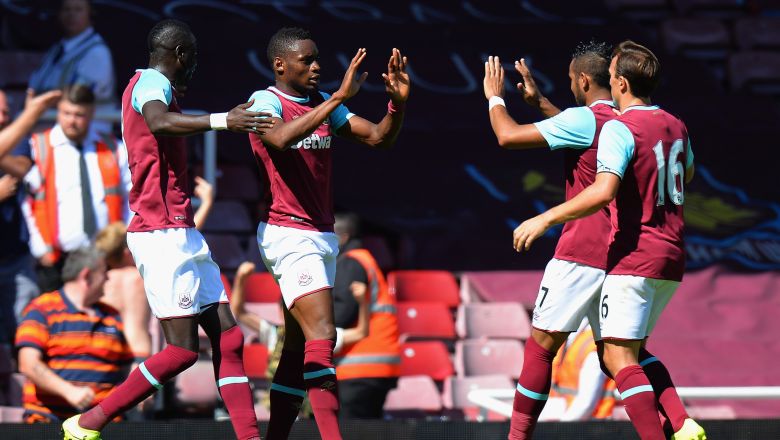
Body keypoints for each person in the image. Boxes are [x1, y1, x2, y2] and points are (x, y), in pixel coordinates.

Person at [61, 19, 274, 440]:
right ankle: (89, 422)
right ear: (179, 55)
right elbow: (157, 123)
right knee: (180, 351)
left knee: (229, 337)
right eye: (192, 57)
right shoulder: (150, 83)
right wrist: (221, 121)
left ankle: (249, 437)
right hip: (159, 235)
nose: (194, 66)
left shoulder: (159, 87)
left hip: (181, 231)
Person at [511, 40, 705, 440]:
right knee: (626, 354)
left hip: (633, 254)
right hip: (672, 255)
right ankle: (682, 424)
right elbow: (686, 177)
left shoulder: (621, 127)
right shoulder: (675, 124)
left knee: (616, 356)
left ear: (618, 81)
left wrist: (544, 218)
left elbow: (602, 191)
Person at [247, 27, 409, 439]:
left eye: (318, 58)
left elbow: (377, 138)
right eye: (307, 59)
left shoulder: (319, 102)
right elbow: (280, 139)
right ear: (280, 64)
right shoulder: (265, 101)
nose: (317, 66)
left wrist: (397, 104)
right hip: (288, 232)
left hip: (320, 235)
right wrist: (339, 97)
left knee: (297, 351)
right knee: (324, 335)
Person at [482, 42, 617, 439]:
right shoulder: (627, 121)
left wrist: (495, 99)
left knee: (541, 346)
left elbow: (507, 136)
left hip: (581, 250)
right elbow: (586, 137)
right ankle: (675, 422)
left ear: (583, 80)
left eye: (571, 80)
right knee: (622, 357)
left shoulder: (584, 118)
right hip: (622, 254)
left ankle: (517, 437)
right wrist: (540, 102)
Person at [21, 84, 131, 293]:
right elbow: (27, 202)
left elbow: (131, 195)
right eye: (66, 113)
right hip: (56, 258)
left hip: (105, 255)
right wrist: (39, 247)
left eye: (79, 114)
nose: (71, 120)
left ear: (91, 113)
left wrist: (125, 237)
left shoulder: (113, 148)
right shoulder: (39, 147)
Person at [94, 180, 214, 364]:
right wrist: (206, 203)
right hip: (139, 354)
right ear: (127, 252)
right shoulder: (143, 276)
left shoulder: (100, 282)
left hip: (106, 353)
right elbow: (183, 246)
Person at [15, 246, 133, 423]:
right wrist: (69, 391)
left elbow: (126, 369)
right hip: (48, 420)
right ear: (86, 276)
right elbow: (28, 364)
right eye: (104, 273)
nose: (108, 278)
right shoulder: (41, 309)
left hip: (103, 423)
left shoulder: (112, 316)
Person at [0, 88, 62, 350]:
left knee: (26, 332)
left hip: (16, 254)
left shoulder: (20, 139)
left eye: (5, 112)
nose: (3, 117)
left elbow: (22, 168)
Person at [332, 213, 400, 419]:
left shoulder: (350, 263)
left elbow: (342, 312)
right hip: (375, 366)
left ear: (343, 237)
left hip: (359, 367)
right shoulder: (366, 260)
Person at [28, 0, 116, 133]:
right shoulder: (56, 49)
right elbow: (33, 88)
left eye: (78, 10)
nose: (71, 15)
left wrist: (41, 101)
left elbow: (77, 97)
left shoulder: (97, 53)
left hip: (89, 133)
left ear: (90, 14)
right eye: (67, 9)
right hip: (50, 127)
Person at [549, 318, 615, 421]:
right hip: (564, 417)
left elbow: (586, 404)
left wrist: (558, 431)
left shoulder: (595, 345)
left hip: (593, 429)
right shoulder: (571, 333)